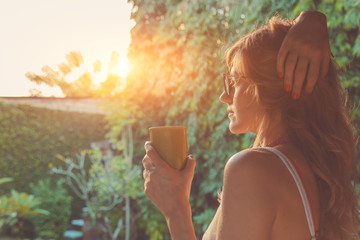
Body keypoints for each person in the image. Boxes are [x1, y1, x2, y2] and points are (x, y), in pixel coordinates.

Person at [142, 11, 360, 240]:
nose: (223, 97)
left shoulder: (252, 168)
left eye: (234, 81)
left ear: (273, 86)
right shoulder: (312, 170)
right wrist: (313, 18)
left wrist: (176, 210)